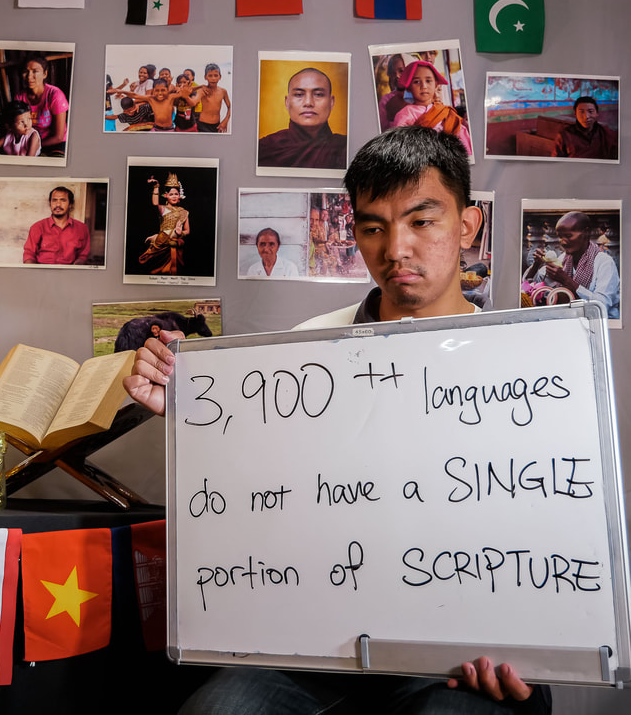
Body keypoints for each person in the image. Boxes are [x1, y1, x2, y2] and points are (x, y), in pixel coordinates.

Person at [123, 126, 550, 715]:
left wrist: (541, 650)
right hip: (314, 645)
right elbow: (257, 492)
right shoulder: (302, 350)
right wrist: (193, 414)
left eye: (422, 221)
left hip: (462, 653)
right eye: (374, 228)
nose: (396, 249)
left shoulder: (531, 370)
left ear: (468, 225)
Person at [527, 211, 619, 319]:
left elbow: (602, 305)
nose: (563, 242)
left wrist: (567, 281)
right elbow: (533, 287)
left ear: (586, 233)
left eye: (568, 236)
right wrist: (537, 264)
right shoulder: (563, 259)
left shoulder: (604, 263)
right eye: (560, 237)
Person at [257, 68, 347, 170]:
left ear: (331, 102)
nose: (308, 103)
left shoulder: (345, 148)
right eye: (299, 95)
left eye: (318, 94)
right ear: (287, 102)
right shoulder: (265, 148)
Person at [391, 60, 473, 156]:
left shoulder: (445, 111)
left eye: (428, 81)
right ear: (409, 87)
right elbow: (399, 144)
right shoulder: (405, 113)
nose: (424, 86)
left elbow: (460, 133)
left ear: (436, 85)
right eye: (416, 82)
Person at [23, 186, 90, 265]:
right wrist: (33, 270)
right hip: (42, 270)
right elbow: (29, 254)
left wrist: (74, 269)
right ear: (50, 203)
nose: (58, 204)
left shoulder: (82, 228)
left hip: (69, 270)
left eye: (63, 200)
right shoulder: (38, 227)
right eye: (54, 200)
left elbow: (83, 256)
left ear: (70, 204)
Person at [138, 174, 190, 275]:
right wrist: (156, 186)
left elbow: (187, 230)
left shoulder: (184, 212)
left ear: (179, 196)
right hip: (161, 243)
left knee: (174, 271)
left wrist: (180, 233)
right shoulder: (163, 209)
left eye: (176, 194)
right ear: (166, 196)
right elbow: (155, 203)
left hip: (174, 243)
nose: (174, 196)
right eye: (171, 194)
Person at [15, 54, 69, 152]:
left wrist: (34, 146)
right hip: (29, 143)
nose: (29, 76)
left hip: (55, 143)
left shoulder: (55, 95)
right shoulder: (20, 97)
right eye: (26, 71)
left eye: (35, 71)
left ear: (45, 74)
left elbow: (59, 137)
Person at [551, 96, 617, 159]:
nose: (586, 117)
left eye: (590, 111)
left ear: (597, 113)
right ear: (575, 113)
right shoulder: (565, 135)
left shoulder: (606, 133)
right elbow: (556, 162)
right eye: (581, 112)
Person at [110, 77, 180, 131]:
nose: (160, 93)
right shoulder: (151, 99)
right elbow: (135, 95)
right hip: (155, 128)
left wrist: (178, 88)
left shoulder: (170, 97)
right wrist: (121, 91)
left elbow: (179, 92)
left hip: (167, 128)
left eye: (162, 90)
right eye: (157, 90)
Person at [183, 63, 231, 133]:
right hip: (202, 125)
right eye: (210, 76)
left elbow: (230, 107)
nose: (213, 78)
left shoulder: (223, 91)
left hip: (217, 125)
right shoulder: (203, 90)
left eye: (216, 75)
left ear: (220, 77)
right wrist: (186, 97)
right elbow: (193, 102)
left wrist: (226, 121)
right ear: (205, 77)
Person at [377, 53, 409, 131]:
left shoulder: (419, 95)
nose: (397, 75)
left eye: (401, 71)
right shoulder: (386, 100)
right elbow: (383, 129)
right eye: (393, 73)